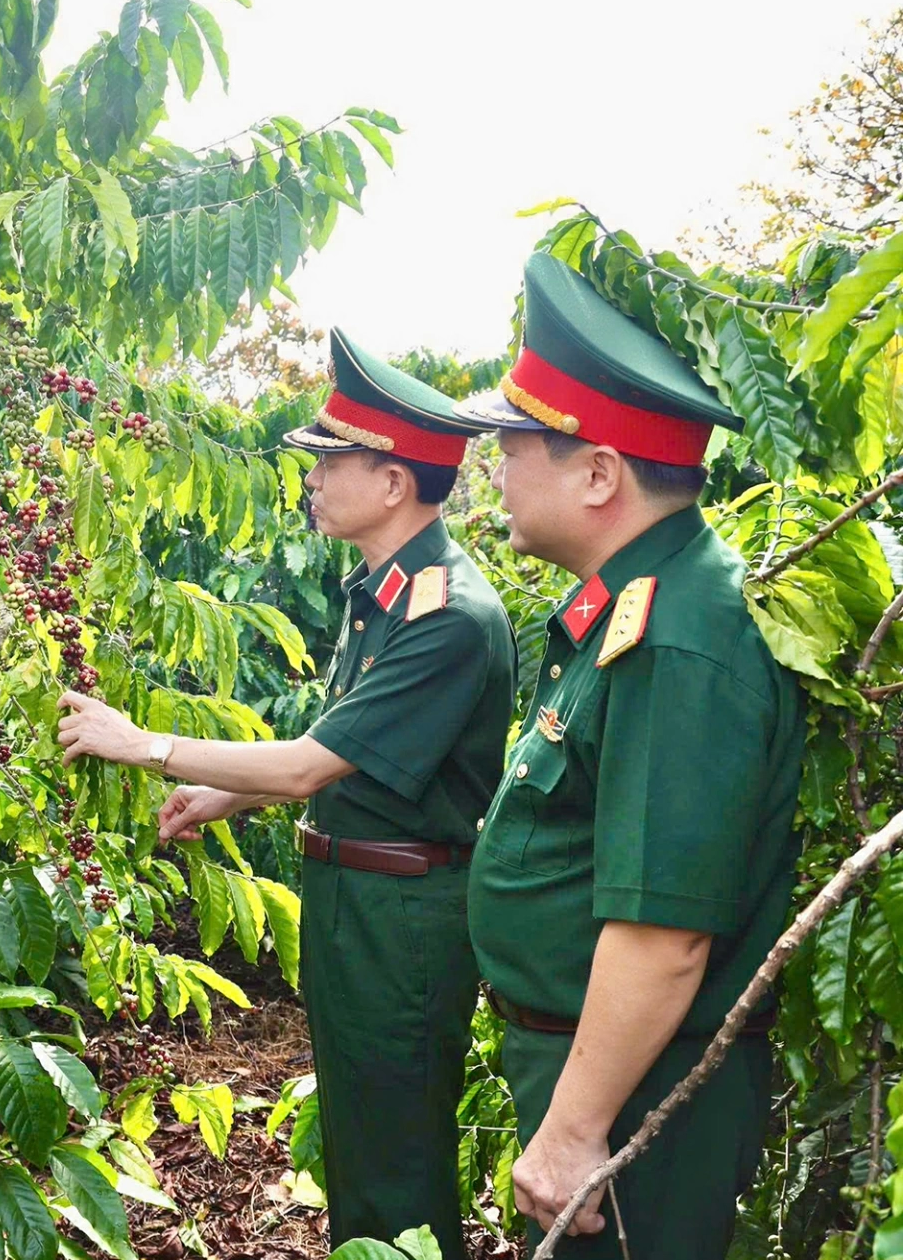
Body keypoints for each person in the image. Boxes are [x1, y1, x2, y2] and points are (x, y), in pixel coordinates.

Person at [56, 329, 513, 1257]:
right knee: (359, 1145)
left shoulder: (450, 616)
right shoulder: (385, 592)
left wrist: (143, 745)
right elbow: (345, 751)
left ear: (392, 482)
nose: (310, 477)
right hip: (358, 901)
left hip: (403, 917)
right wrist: (229, 795)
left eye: (330, 460)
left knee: (395, 1162)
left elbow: (309, 764)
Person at [452, 251, 804, 1258]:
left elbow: (664, 936)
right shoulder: (629, 612)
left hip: (628, 1095)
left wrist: (570, 1132)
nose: (497, 467)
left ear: (600, 472)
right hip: (591, 1071)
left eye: (519, 444)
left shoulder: (678, 637)